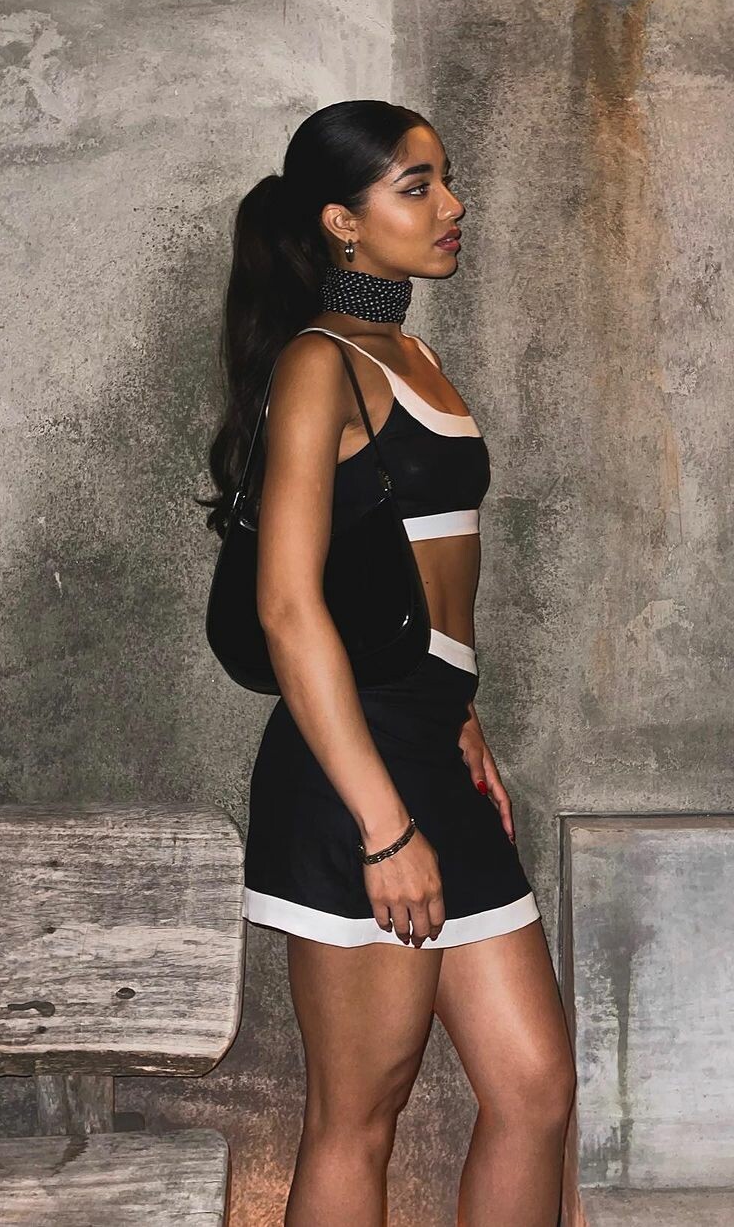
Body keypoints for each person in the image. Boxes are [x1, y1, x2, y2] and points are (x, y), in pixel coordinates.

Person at [201, 100, 583, 1226]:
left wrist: (459, 710)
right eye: (418, 186)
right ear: (342, 221)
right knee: (358, 1118)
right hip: (353, 771)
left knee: (535, 1090)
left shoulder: (411, 355)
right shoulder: (319, 364)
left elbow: (410, 575)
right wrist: (383, 826)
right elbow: (287, 607)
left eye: (445, 179)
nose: (453, 204)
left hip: (429, 740)